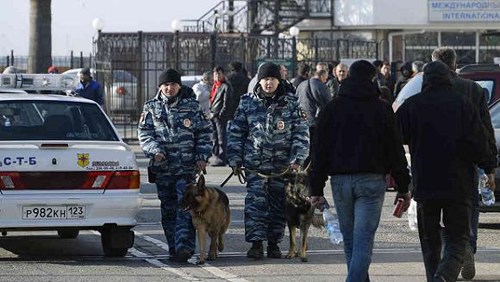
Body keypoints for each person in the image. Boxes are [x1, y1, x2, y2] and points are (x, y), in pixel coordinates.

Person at [309, 60, 411, 282]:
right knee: (363, 239)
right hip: (372, 181)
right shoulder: (382, 109)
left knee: (350, 239)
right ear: (373, 79)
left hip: (340, 181)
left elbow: (319, 151)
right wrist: (404, 186)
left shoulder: (331, 109)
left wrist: (315, 187)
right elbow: (395, 150)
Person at [396, 60, 491, 282]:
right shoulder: (463, 105)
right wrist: (488, 167)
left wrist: (398, 175)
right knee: (457, 240)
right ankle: (444, 277)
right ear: (449, 77)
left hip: (425, 183)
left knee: (429, 242)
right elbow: (480, 142)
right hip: (458, 184)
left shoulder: (411, 106)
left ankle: (434, 277)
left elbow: (394, 141)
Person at [226, 62, 309, 260]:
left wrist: (297, 159)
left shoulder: (291, 103)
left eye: (272, 79)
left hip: (282, 166)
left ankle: (274, 243)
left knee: (279, 205)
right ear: (259, 81)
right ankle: (256, 244)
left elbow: (301, 132)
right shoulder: (247, 102)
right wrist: (235, 159)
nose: (269, 83)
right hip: (255, 165)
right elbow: (236, 132)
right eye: (265, 79)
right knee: (256, 204)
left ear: (278, 81)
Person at [431, 47, 497, 280]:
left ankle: (451, 251)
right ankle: (467, 245)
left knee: (438, 209)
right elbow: (486, 129)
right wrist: (490, 167)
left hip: (434, 162)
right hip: (467, 160)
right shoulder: (473, 89)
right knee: (470, 206)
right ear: (455, 64)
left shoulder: (428, 89)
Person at [138, 68, 212, 263]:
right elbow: (144, 134)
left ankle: (184, 247)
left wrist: (202, 155)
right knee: (169, 210)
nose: (170, 88)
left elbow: (204, 133)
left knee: (186, 208)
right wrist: (155, 150)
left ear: (180, 86)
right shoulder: (151, 107)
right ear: (160, 86)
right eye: (166, 84)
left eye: (173, 84)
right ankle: (173, 247)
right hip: (163, 170)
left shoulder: (192, 107)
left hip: (186, 169)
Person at [296, 68, 331, 154]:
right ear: (322, 75)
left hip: (301, 122)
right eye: (326, 77)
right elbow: (329, 105)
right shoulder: (322, 86)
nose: (326, 79)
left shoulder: (301, 85)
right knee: (315, 149)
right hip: (316, 122)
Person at [209, 65, 235, 166]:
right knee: (214, 137)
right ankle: (215, 155)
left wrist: (220, 114)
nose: (217, 76)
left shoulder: (226, 86)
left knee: (221, 137)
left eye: (219, 74)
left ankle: (222, 156)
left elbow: (227, 103)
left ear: (223, 74)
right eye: (215, 74)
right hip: (213, 115)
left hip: (219, 116)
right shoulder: (215, 85)